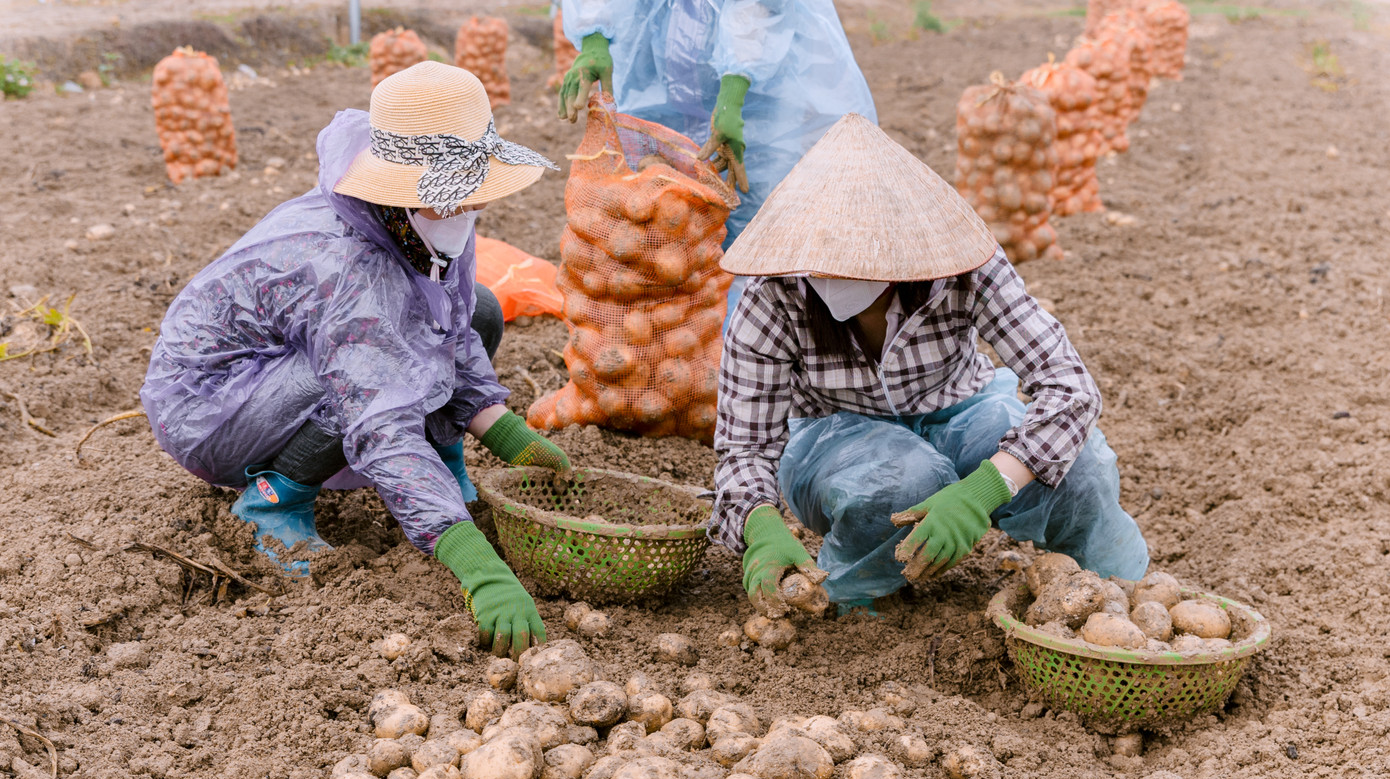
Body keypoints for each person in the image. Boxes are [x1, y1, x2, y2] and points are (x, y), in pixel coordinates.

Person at [141, 62, 566, 658]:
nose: (469, 211)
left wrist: (510, 435)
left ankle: (441, 465)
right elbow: (379, 413)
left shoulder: (419, 224)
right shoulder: (351, 264)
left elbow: (449, 325)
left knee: (482, 311)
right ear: (405, 191)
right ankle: (274, 502)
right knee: (364, 372)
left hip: (294, 369)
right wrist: (479, 567)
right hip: (212, 404)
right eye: (456, 198)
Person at [711, 114, 1149, 615]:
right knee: (900, 479)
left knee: (1079, 467)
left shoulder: (963, 266)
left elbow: (1070, 389)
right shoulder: (773, 295)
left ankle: (1120, 596)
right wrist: (760, 525)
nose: (834, 270)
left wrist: (984, 491)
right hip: (837, 436)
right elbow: (743, 447)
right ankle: (853, 600)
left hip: (961, 409)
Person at [554, 0, 878, 314]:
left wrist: (735, 87)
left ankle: (776, 338)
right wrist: (595, 36)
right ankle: (703, 339)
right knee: (671, 227)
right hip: (656, 58)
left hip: (766, 72)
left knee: (768, 222)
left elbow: (761, 7)